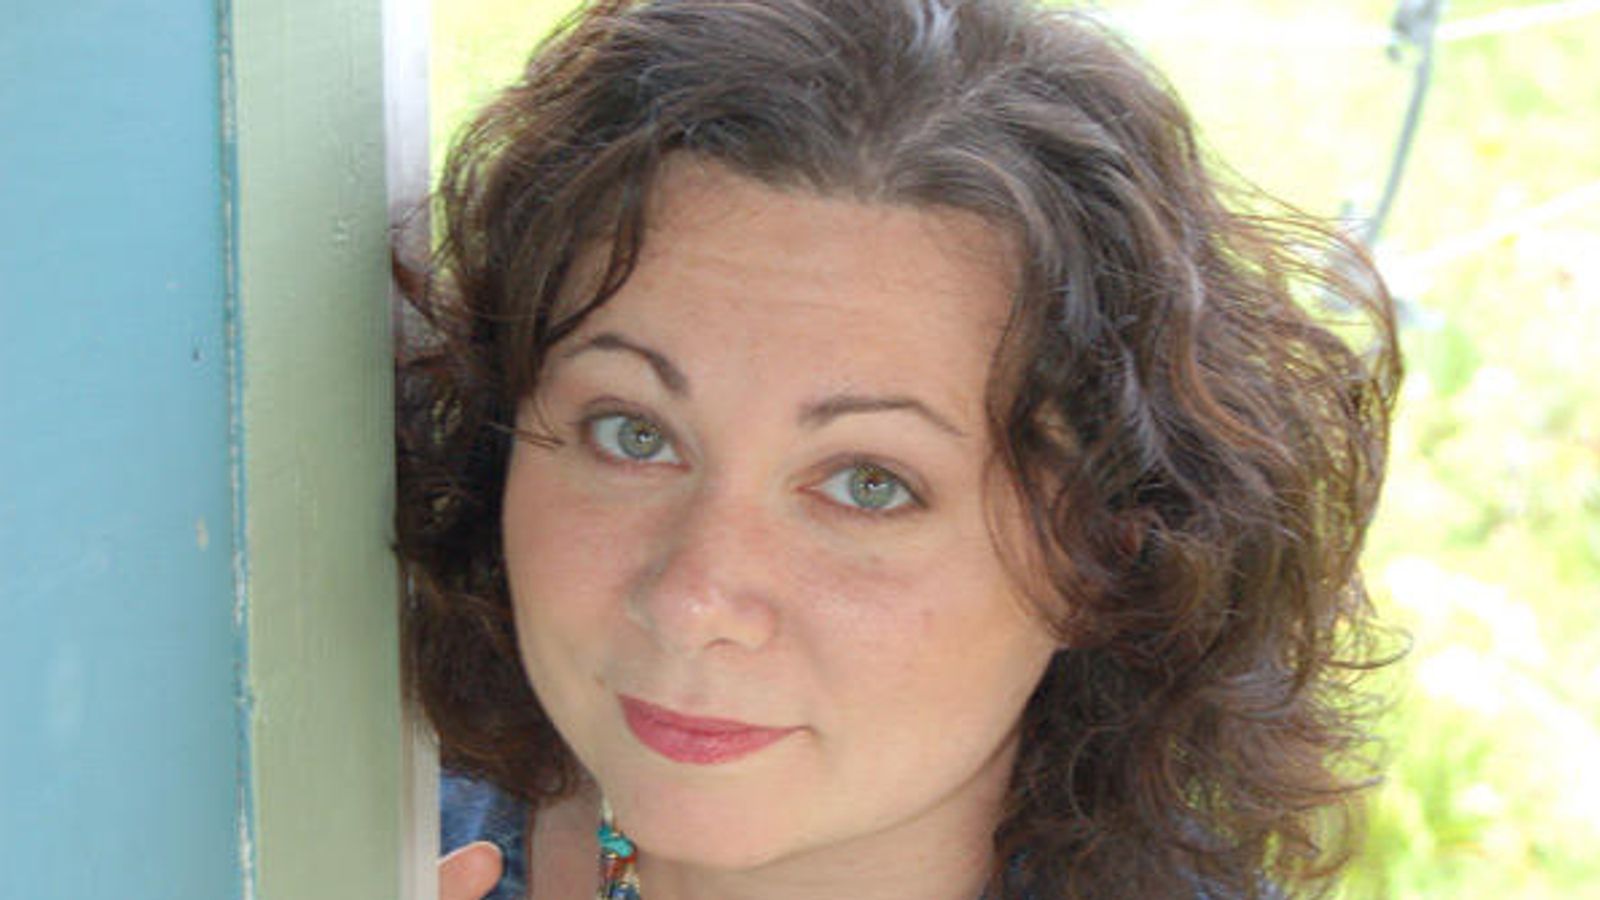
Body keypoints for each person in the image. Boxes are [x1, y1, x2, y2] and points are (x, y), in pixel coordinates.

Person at [394, 0, 1402, 897]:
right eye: (635, 434)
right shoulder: (334, 833)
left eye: (868, 483)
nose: (693, 599)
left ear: (1107, 558)